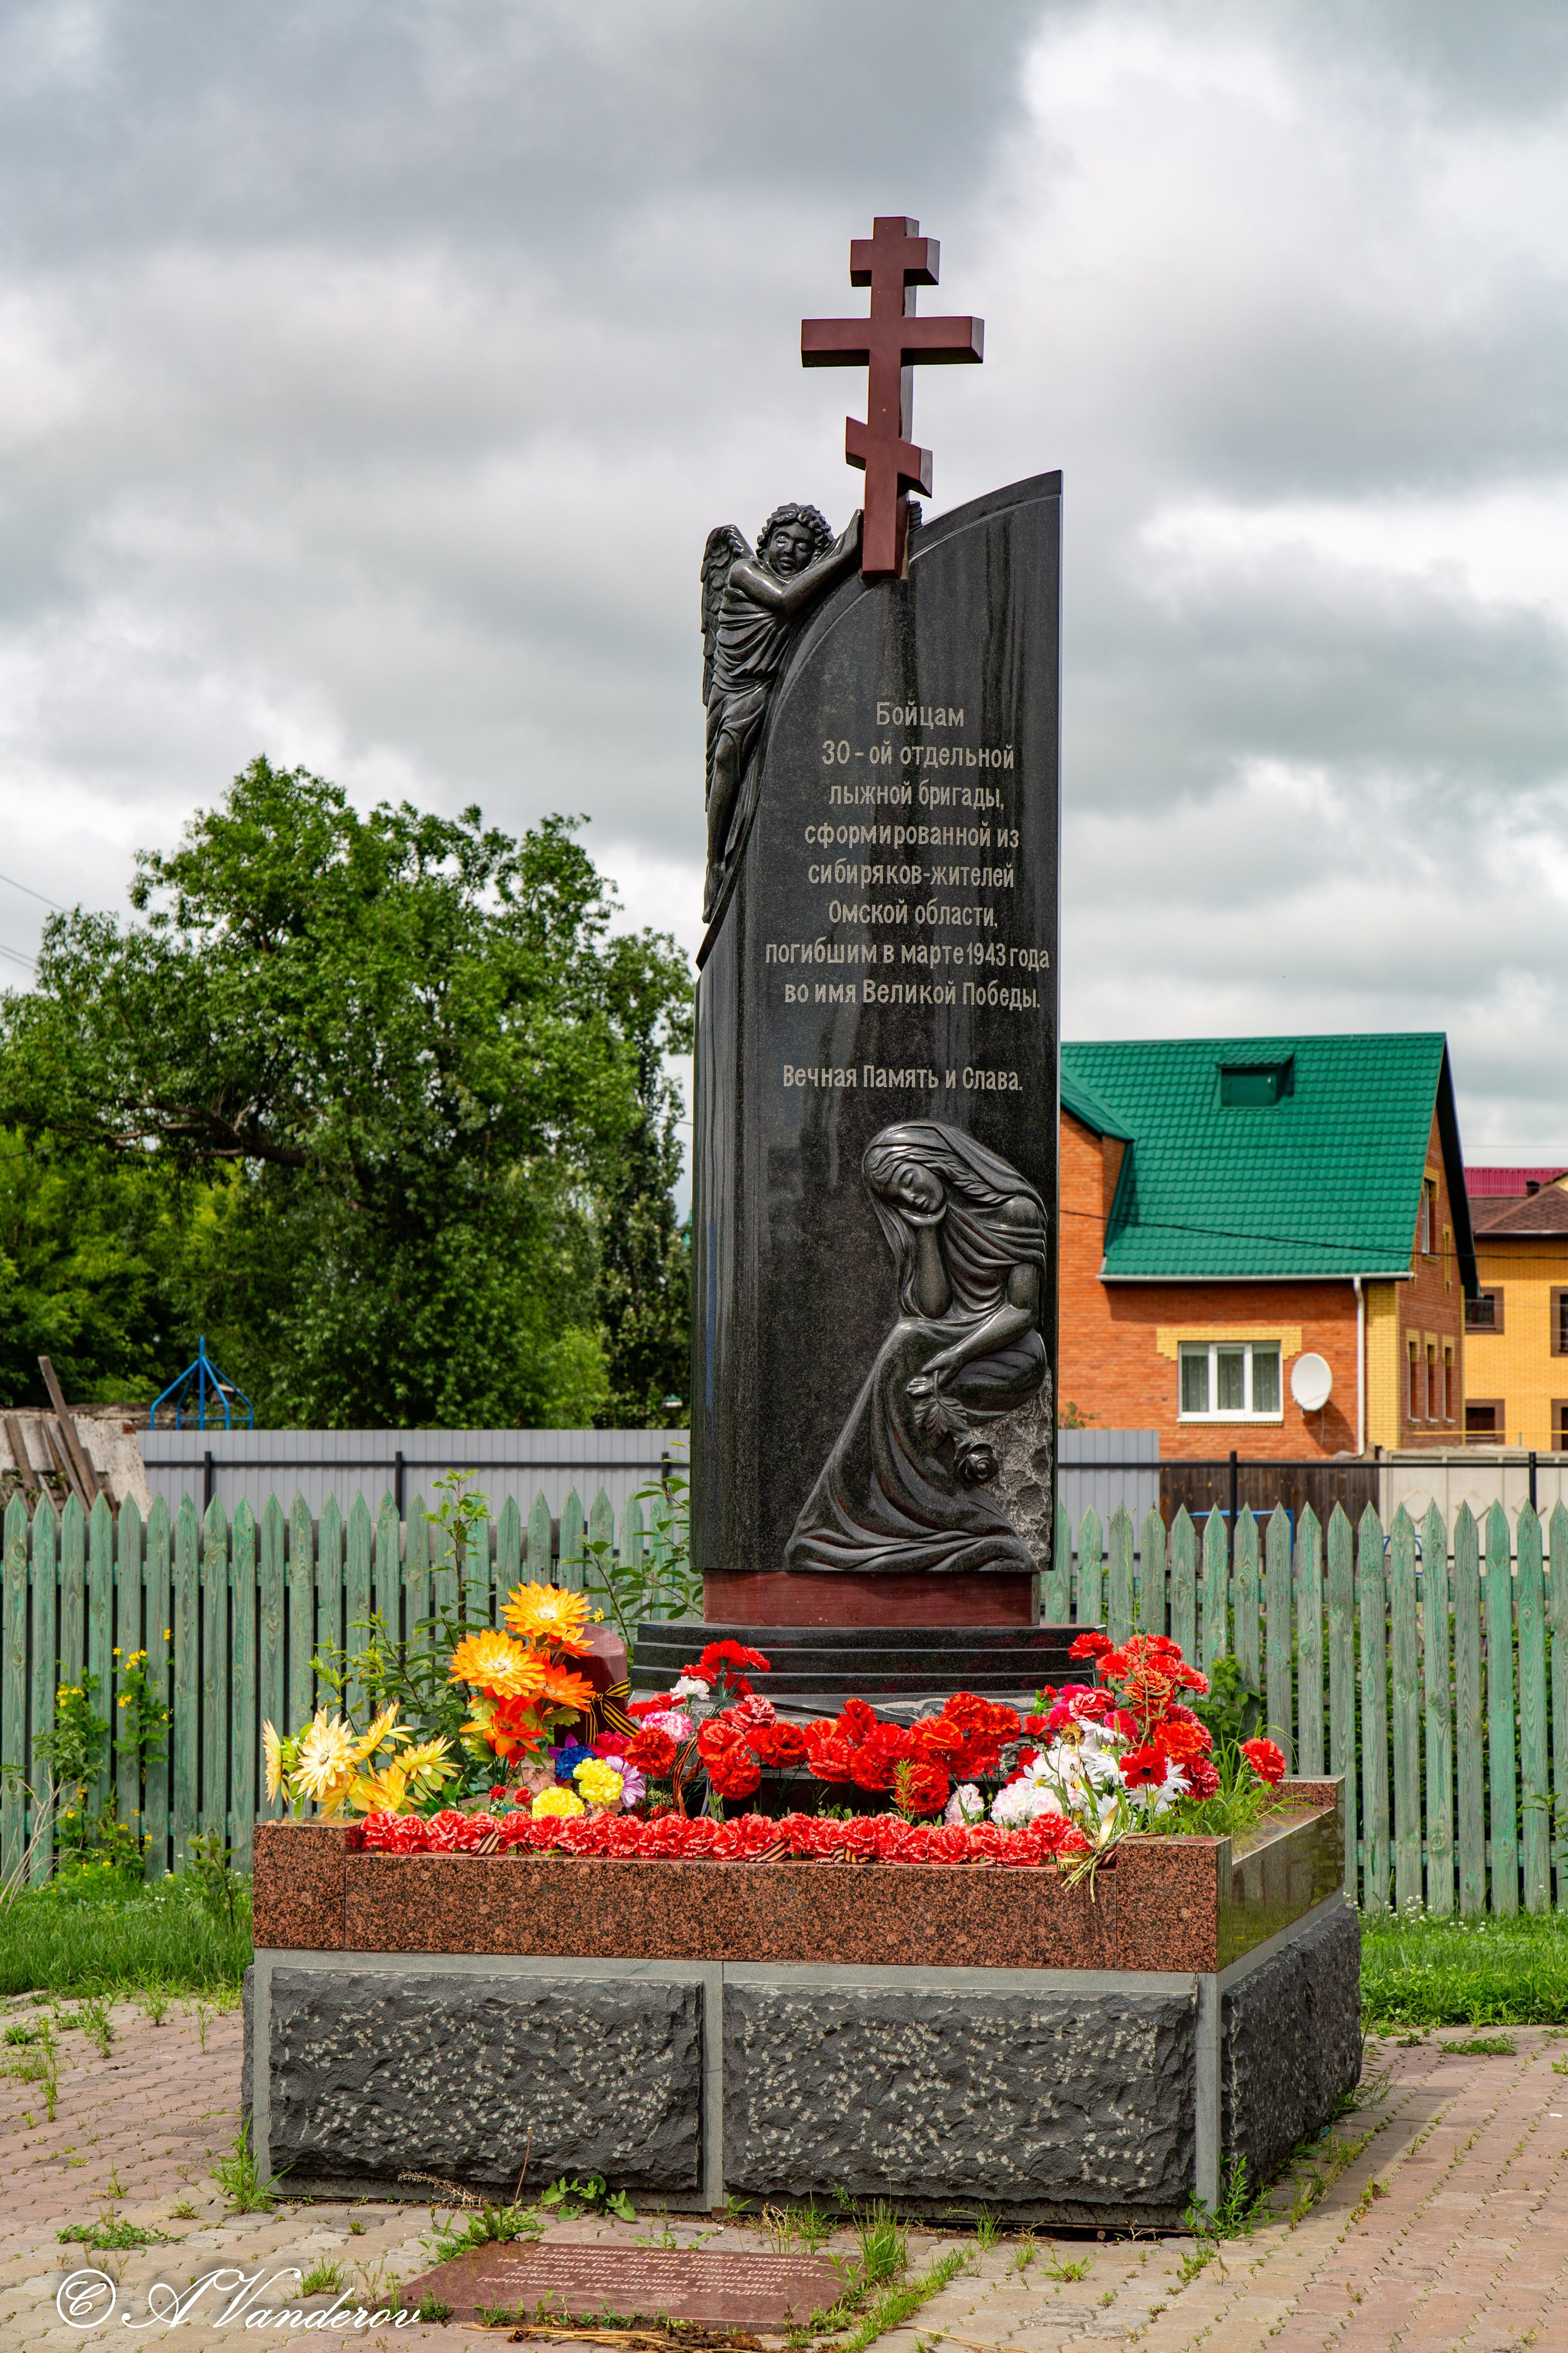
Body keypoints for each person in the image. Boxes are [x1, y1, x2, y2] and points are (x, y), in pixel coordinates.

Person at [785, 1122, 1048, 1577]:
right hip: (949, 1340)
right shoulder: (928, 1214)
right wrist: (927, 1229)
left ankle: (929, 1510)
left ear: (935, 1161)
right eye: (898, 1198)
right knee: (909, 1341)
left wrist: (957, 1355)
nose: (911, 1198)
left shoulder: (1016, 1210)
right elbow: (932, 1308)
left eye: (909, 1181)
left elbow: (1023, 1311)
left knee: (907, 1344)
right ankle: (889, 1511)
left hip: (1009, 1350)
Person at [700, 504, 861, 919]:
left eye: (804, 546)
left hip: (774, 686)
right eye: (782, 539)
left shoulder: (812, 586)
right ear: (766, 541)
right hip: (737, 688)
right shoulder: (743, 572)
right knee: (727, 755)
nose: (790, 550)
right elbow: (787, 600)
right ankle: (715, 863)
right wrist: (845, 553)